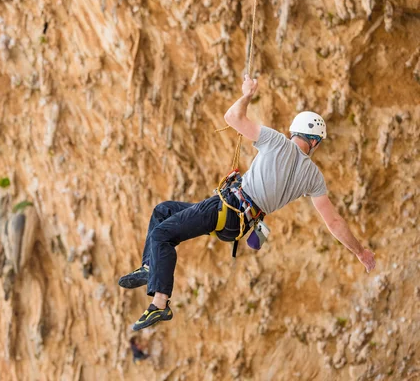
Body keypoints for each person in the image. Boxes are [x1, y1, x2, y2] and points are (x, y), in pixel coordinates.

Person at [119, 75, 376, 331]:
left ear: (294, 131)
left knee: (162, 235)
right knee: (163, 212)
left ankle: (160, 304)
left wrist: (247, 95)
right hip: (239, 224)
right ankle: (149, 266)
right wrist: (360, 252)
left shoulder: (278, 142)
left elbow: (232, 117)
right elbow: (333, 222)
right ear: (315, 142)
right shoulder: (314, 177)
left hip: (226, 208)